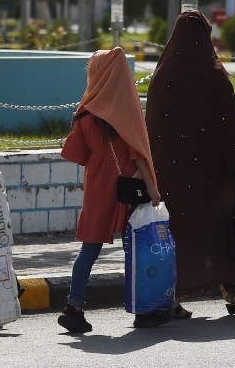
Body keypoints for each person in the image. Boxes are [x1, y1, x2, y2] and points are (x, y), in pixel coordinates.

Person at [146, 10, 235, 318]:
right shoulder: (214, 75)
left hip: (171, 177)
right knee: (222, 233)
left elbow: (152, 127)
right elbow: (231, 127)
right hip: (212, 179)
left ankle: (170, 299)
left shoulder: (162, 76)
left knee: (178, 236)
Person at [58, 47, 162, 332]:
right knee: (138, 249)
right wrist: (152, 189)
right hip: (128, 188)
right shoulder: (125, 111)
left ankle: (74, 305)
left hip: (97, 186)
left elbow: (76, 153)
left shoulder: (85, 113)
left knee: (89, 247)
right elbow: (138, 154)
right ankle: (146, 308)